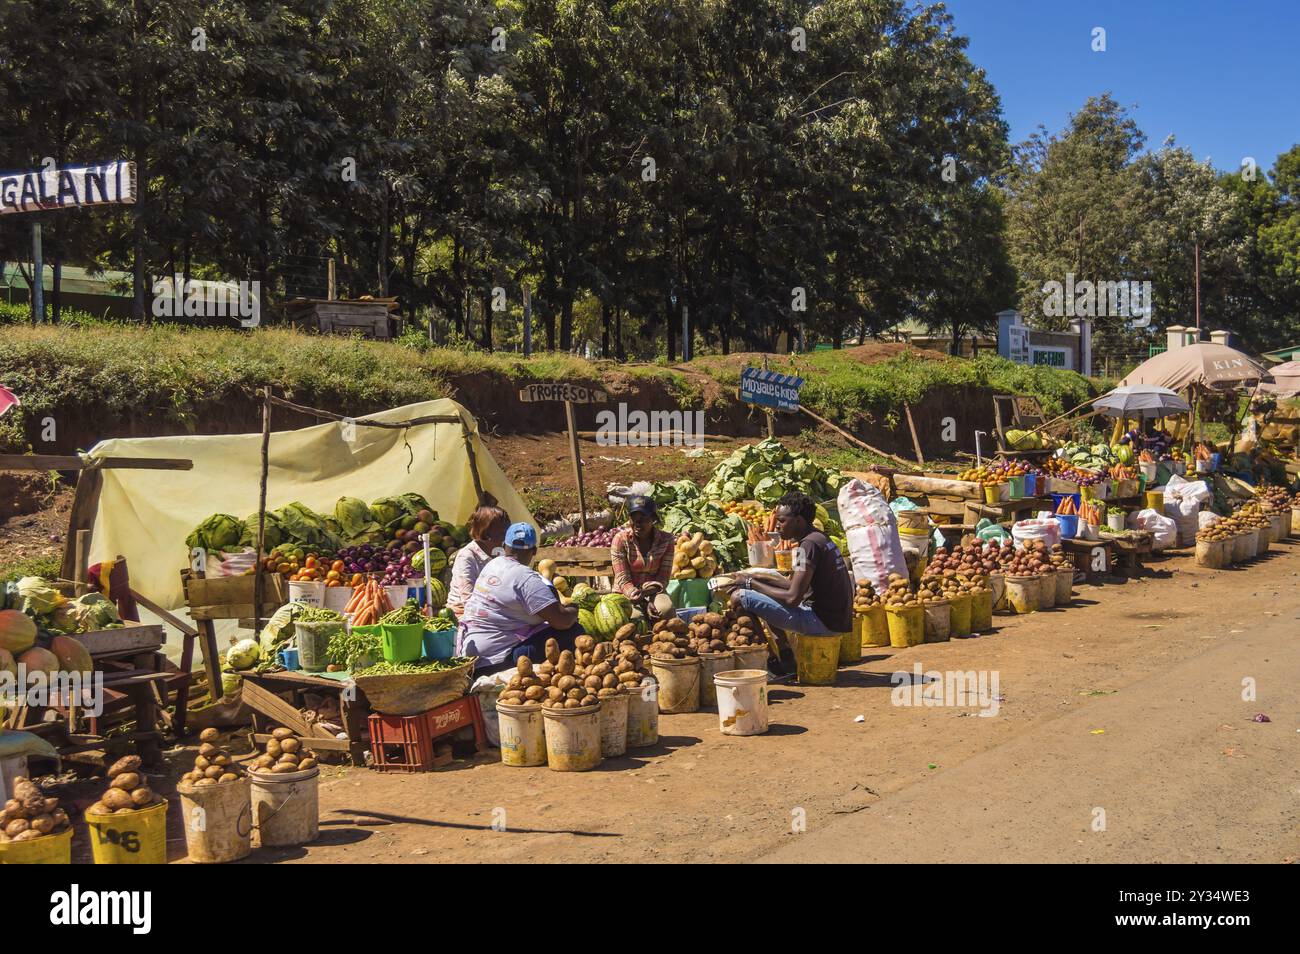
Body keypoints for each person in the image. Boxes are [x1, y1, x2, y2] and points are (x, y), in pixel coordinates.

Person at [730, 492, 853, 664]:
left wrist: (749, 583)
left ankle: (772, 658)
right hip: (834, 620)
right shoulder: (819, 538)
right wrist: (758, 577)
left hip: (822, 623)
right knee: (765, 593)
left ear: (799, 521)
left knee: (738, 597)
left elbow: (792, 598)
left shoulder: (807, 546)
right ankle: (785, 652)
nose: (777, 526)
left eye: (782, 521)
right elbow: (792, 585)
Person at [459, 522, 582, 674]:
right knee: (574, 631)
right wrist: (574, 609)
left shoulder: (493, 565)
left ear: (504, 546)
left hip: (470, 655)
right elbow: (561, 621)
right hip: (495, 661)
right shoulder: (526, 579)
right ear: (535, 550)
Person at [610, 495, 675, 613]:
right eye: (634, 519)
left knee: (666, 609)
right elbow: (622, 578)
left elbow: (663, 578)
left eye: (644, 519)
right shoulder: (620, 539)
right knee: (635, 618)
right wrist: (636, 596)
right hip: (626, 591)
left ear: (653, 520)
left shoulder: (666, 540)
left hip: (653, 591)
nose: (638, 524)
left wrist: (646, 595)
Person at [445, 504, 510, 617]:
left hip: (492, 609)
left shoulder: (499, 552)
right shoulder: (466, 556)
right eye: (502, 532)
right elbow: (468, 600)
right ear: (487, 533)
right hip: (463, 613)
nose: (506, 536)